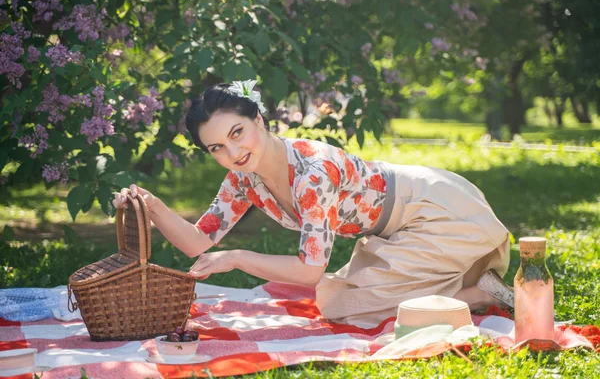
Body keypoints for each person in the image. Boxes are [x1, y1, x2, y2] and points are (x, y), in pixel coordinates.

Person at [113, 80, 514, 328]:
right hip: (392, 231)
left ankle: (481, 294)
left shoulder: (311, 173)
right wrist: (153, 207)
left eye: (238, 133)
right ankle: (462, 285)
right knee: (339, 303)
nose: (233, 152)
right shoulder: (242, 179)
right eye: (217, 147)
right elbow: (200, 242)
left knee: (360, 310)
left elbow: (309, 271)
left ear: (260, 120)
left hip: (437, 211)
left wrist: (236, 257)